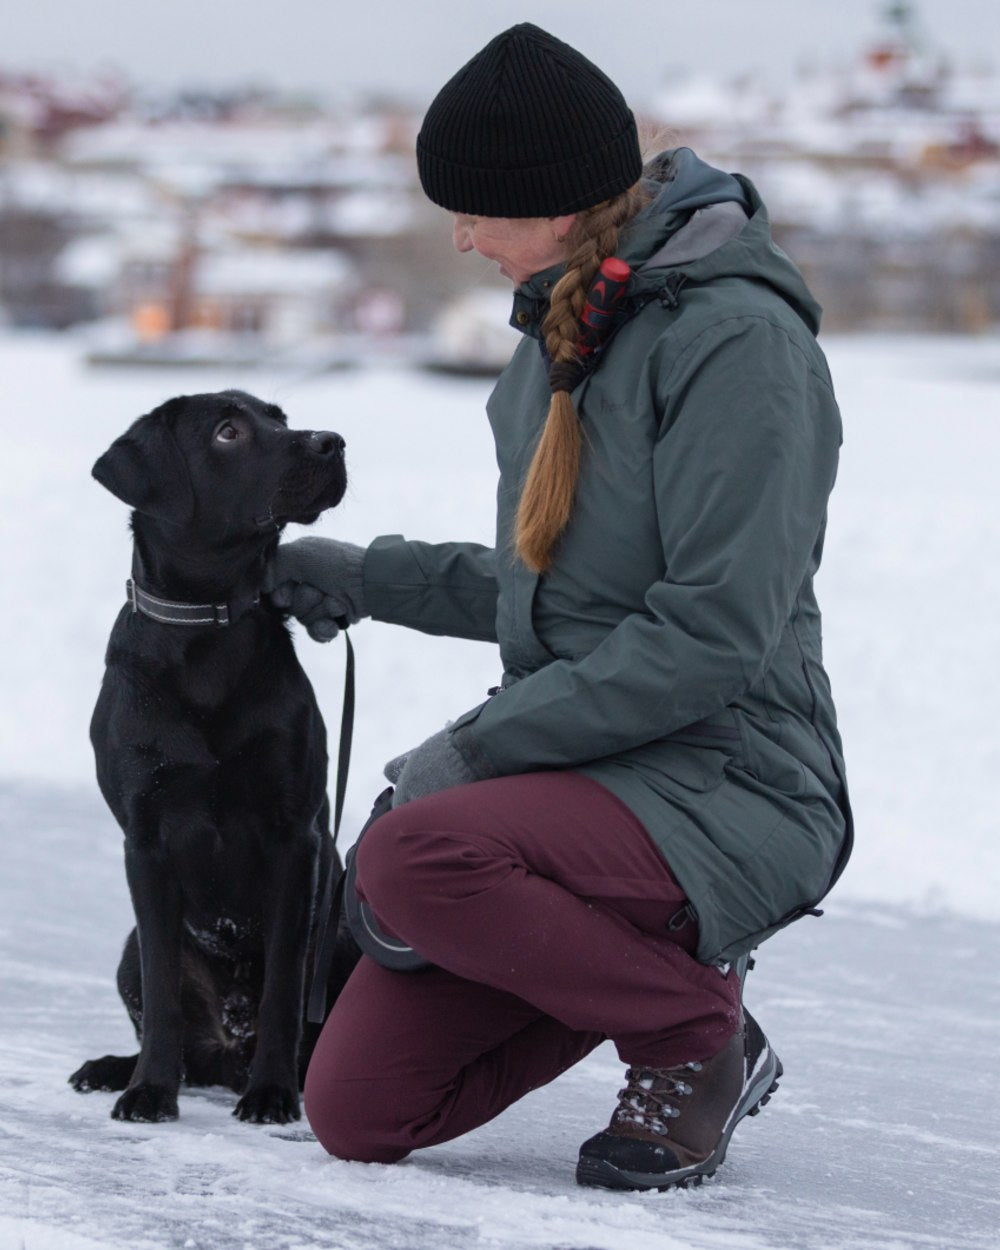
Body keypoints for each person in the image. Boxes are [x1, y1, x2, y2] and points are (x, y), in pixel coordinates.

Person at [265, 23, 852, 1192]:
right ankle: (633, 970)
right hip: (587, 766)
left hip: (730, 775)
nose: (461, 235)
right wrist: (367, 575)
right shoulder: (555, 338)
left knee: (416, 848)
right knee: (360, 1109)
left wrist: (476, 748)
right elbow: (555, 590)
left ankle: (696, 1033)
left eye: (476, 209)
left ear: (558, 200)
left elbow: (711, 631)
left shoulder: (738, 343)